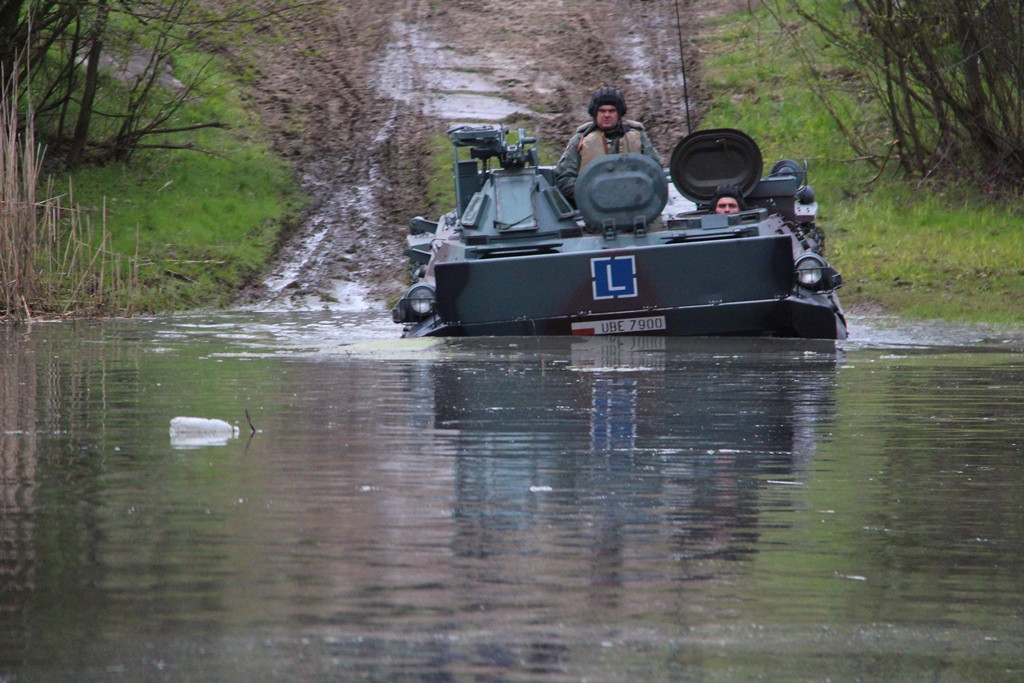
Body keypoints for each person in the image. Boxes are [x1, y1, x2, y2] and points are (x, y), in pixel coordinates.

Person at [554, 87, 662, 206]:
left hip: (636, 204)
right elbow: (564, 179)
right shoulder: (580, 140)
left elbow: (656, 170)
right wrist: (594, 192)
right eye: (602, 111)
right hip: (594, 209)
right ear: (595, 113)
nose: (606, 115)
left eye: (612, 111)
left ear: (619, 113)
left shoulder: (637, 136)